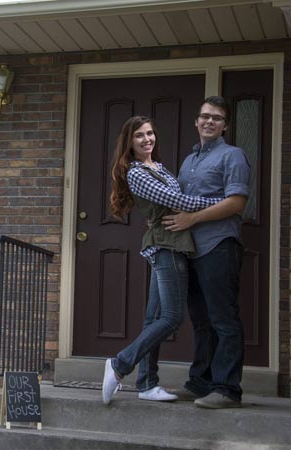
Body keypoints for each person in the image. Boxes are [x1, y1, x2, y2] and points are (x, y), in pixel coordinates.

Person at [103, 115, 223, 405]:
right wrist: (223, 204)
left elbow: (176, 197)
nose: (147, 139)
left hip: (175, 243)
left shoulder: (157, 167)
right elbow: (179, 202)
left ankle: (146, 383)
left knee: (154, 319)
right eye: (139, 136)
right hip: (166, 246)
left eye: (150, 133)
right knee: (171, 318)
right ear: (129, 142)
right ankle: (120, 364)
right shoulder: (136, 173)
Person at [162, 96, 250, 409]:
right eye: (204, 116)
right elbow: (182, 200)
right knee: (200, 322)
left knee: (223, 319)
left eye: (216, 117)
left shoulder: (233, 156)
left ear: (225, 125)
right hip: (190, 250)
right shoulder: (189, 161)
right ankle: (200, 383)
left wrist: (192, 218)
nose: (209, 121)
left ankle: (227, 389)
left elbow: (236, 203)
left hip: (219, 245)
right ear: (196, 121)